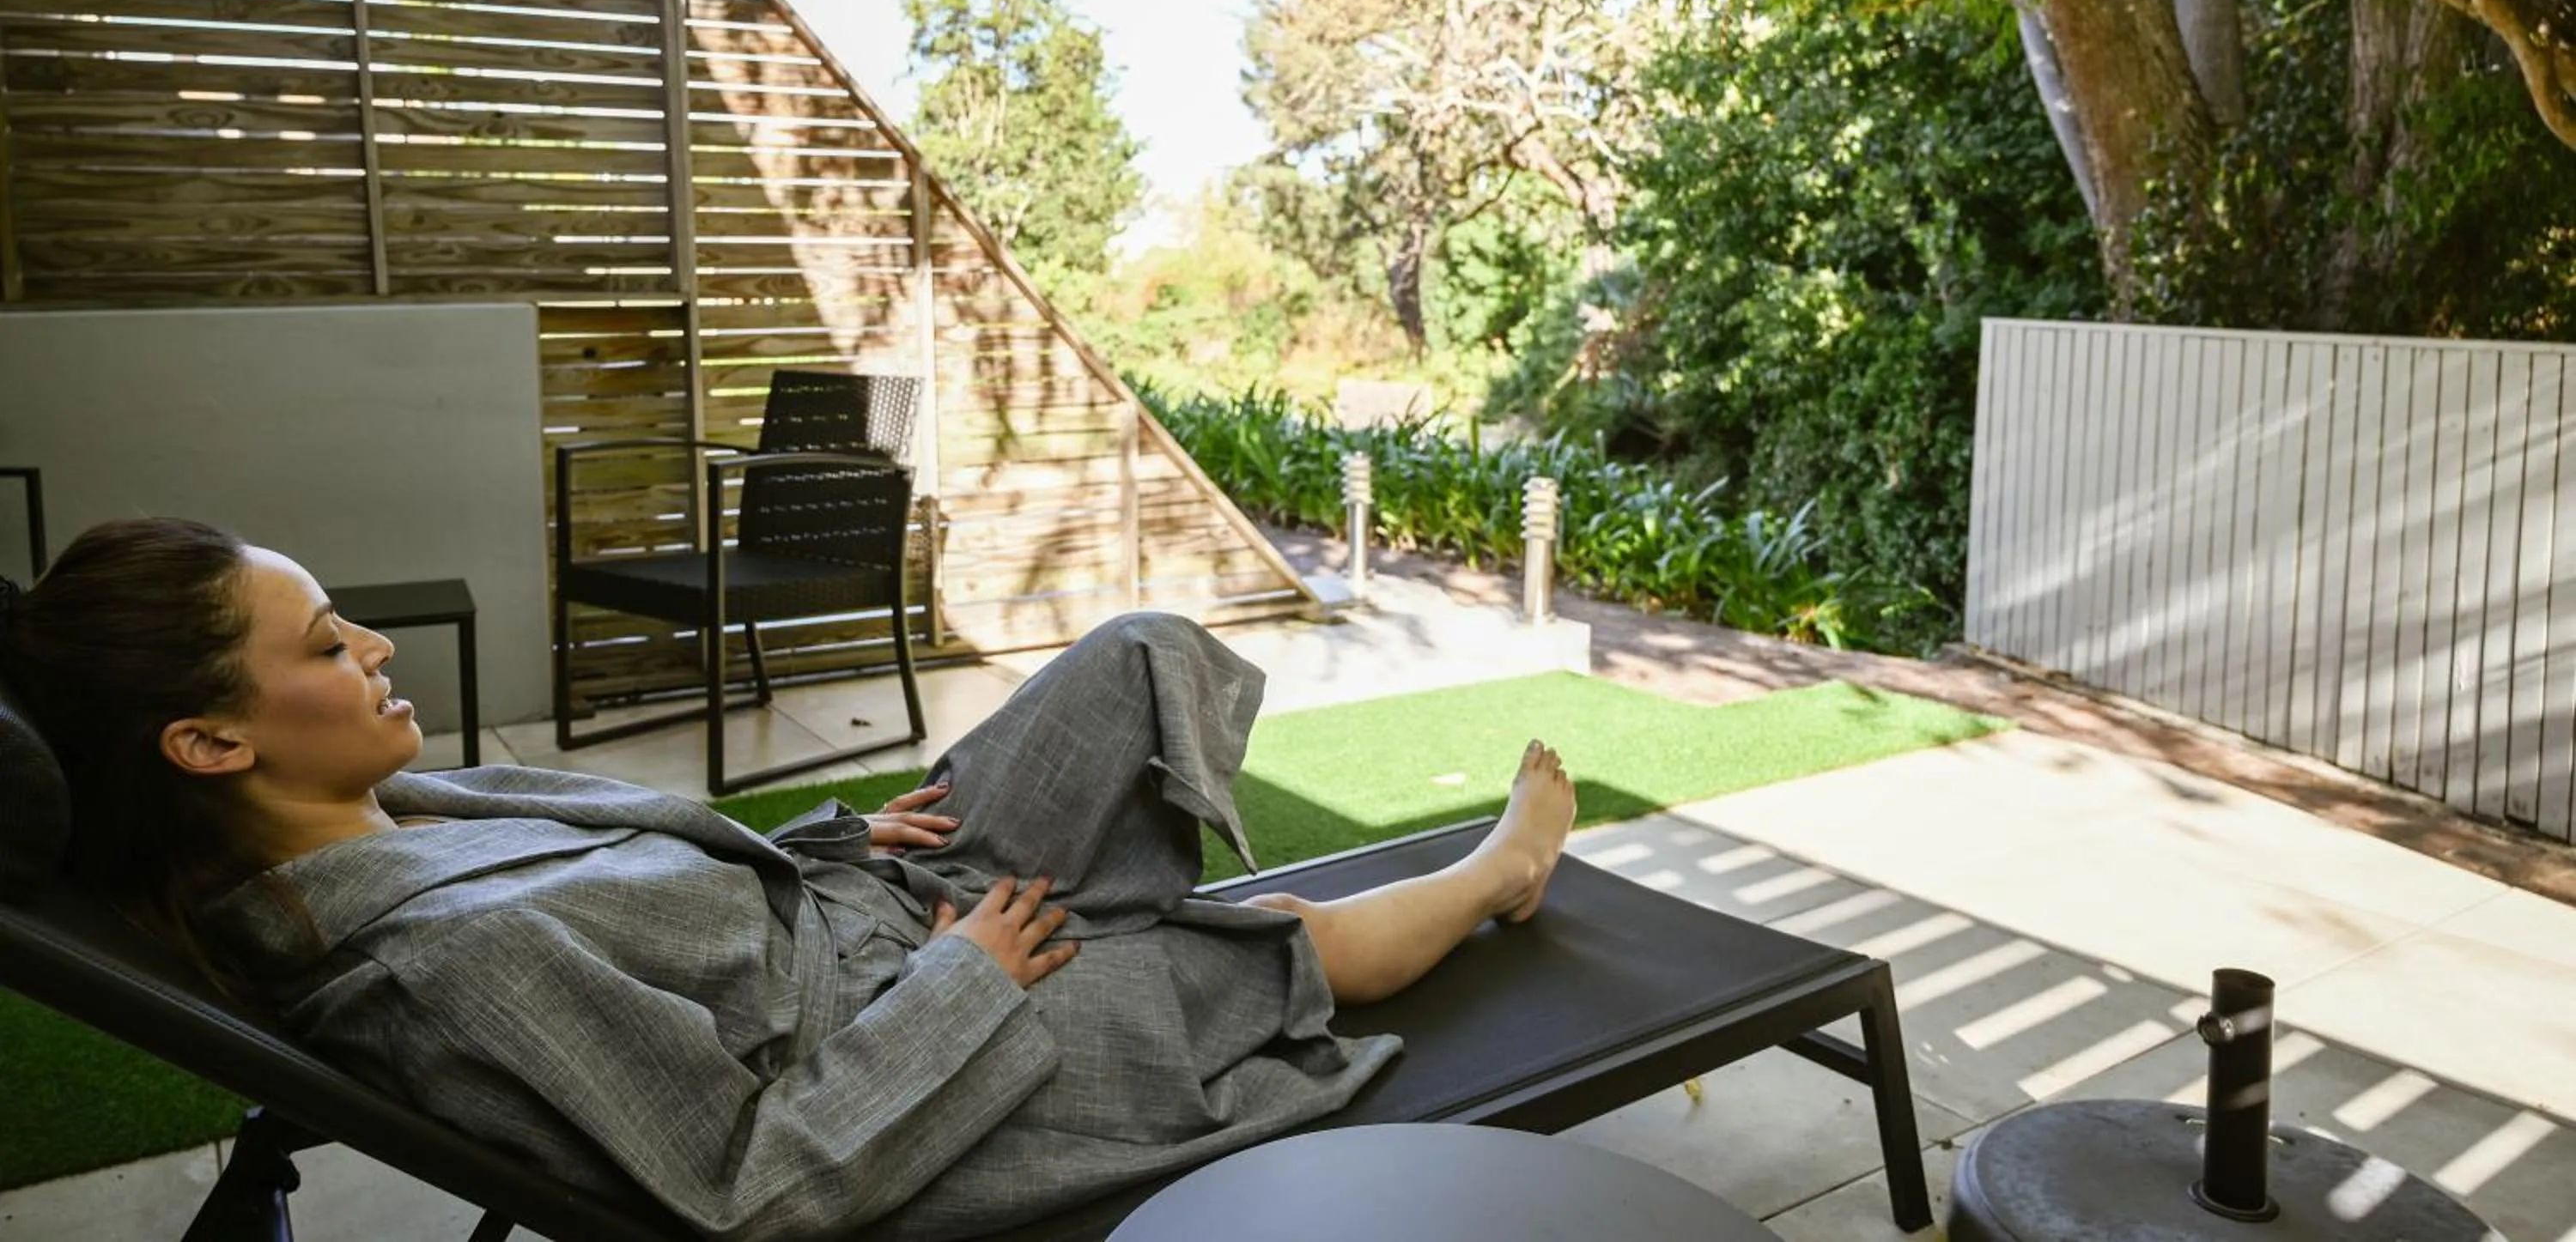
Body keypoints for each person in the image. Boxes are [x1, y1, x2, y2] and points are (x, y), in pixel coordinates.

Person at [0, 518, 1578, 1242]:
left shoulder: (395, 802)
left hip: (865, 913)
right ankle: (1496, 877)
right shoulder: (435, 965)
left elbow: (659, 889)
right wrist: (967, 984)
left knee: (1136, 654)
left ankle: (1147, 921)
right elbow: (752, 1184)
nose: (372, 646)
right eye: (324, 645)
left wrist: (837, 841)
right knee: (1270, 948)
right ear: (209, 741)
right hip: (913, 1050)